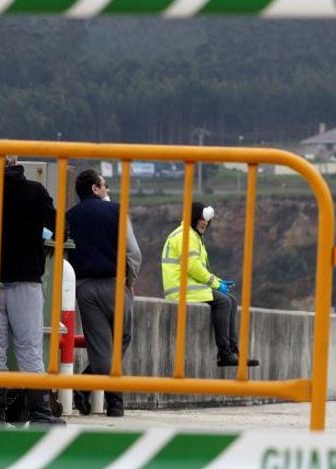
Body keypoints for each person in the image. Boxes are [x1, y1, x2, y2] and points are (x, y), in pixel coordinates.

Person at [0, 154, 64, 425]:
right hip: (26, 280)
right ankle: (39, 412)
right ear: (14, 163)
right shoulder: (34, 192)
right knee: (30, 347)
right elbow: (60, 228)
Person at [67, 169, 142, 417]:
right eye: (104, 185)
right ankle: (107, 397)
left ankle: (104, 398)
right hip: (115, 283)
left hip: (85, 287)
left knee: (100, 347)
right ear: (94, 189)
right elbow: (133, 253)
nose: (107, 190)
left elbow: (64, 253)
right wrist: (130, 280)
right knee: (123, 337)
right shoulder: (116, 211)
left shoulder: (70, 217)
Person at [161, 202, 259, 368]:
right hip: (181, 289)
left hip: (189, 285)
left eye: (206, 223)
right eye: (201, 221)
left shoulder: (193, 235)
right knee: (224, 302)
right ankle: (224, 353)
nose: (204, 224)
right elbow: (193, 267)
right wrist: (215, 283)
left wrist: (218, 282)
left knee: (232, 300)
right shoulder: (185, 236)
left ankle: (234, 351)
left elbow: (199, 269)